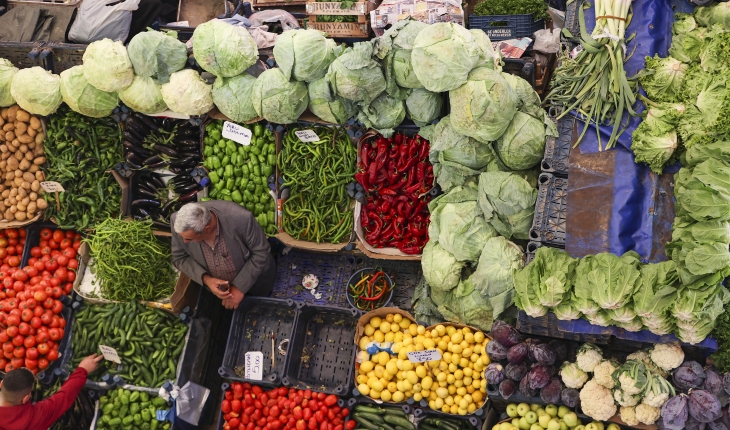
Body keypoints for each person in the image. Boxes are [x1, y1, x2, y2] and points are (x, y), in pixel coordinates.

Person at [171, 201, 276, 309]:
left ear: (207, 229)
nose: (184, 241)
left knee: (263, 308)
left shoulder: (241, 219)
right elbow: (180, 257)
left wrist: (239, 287)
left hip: (255, 284)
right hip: (220, 293)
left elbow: (261, 252)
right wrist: (207, 280)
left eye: (189, 238)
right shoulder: (176, 221)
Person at [0, 354, 103, 430]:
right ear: (25, 398)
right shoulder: (35, 418)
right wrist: (83, 370)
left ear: (1, 384)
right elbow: (64, 397)